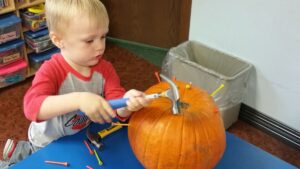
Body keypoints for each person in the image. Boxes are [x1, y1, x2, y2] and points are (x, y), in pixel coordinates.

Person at [0, 0, 150, 168]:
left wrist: (128, 103)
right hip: (47, 142)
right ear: (58, 40)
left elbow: (116, 110)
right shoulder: (51, 70)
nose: (100, 47)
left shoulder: (105, 70)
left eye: (103, 37)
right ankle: (18, 153)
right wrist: (79, 99)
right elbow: (32, 108)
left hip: (77, 137)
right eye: (89, 41)